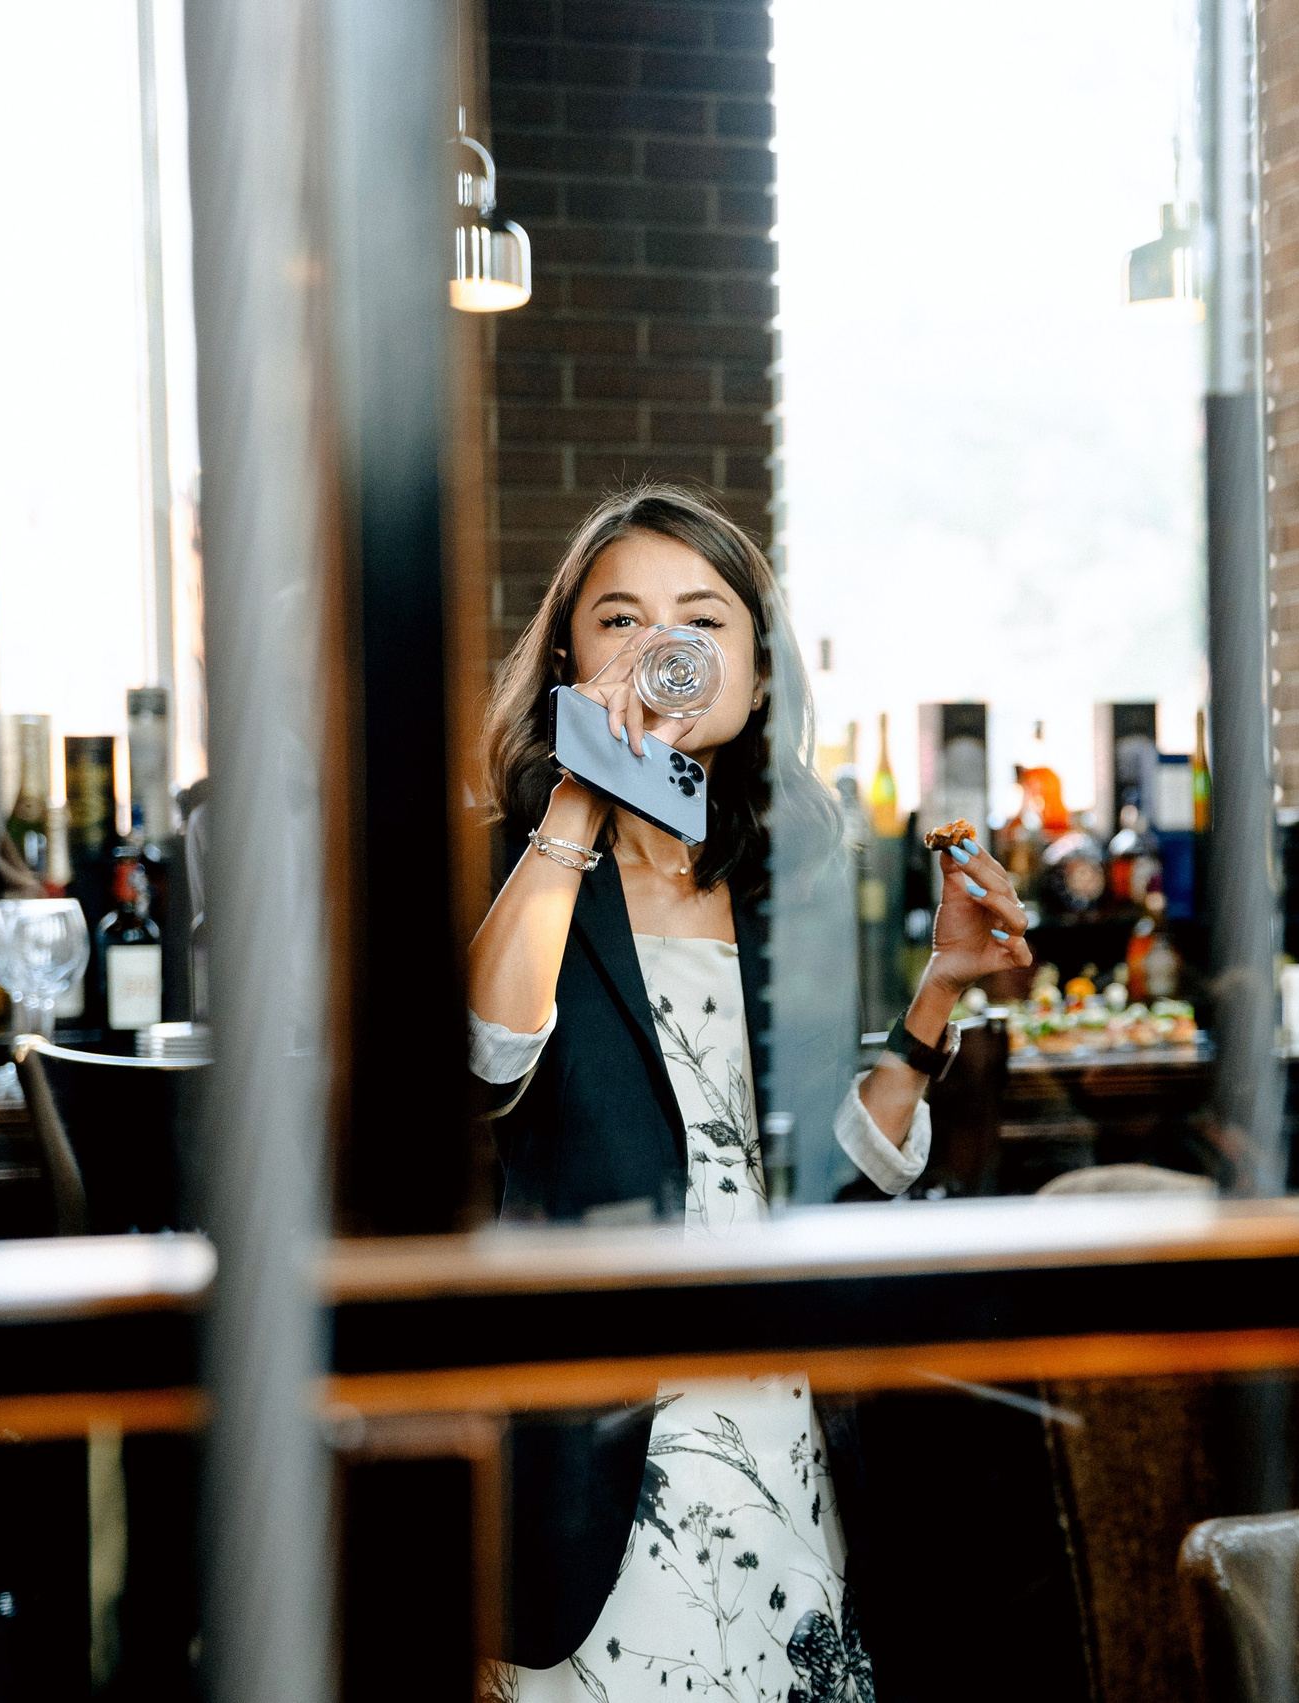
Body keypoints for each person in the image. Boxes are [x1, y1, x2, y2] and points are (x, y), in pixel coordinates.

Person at [466, 485, 1031, 1699]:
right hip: (595, 1442)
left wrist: (935, 995)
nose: (660, 648)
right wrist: (580, 798)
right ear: (570, 658)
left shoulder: (795, 873)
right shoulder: (507, 856)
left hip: (784, 1413)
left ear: (758, 678)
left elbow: (829, 1176)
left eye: (701, 619)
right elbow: (480, 1058)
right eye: (619, 620)